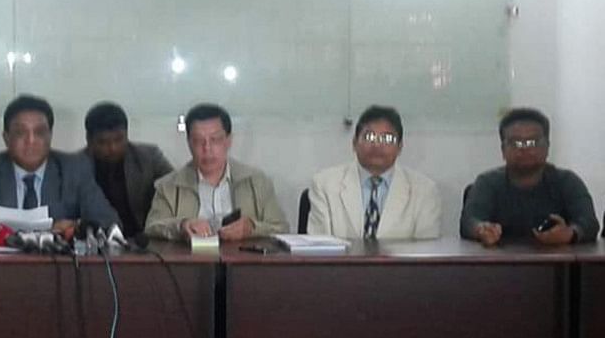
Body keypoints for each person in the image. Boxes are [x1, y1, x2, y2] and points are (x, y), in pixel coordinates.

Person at [0, 94, 119, 242]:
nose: (31, 141)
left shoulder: (75, 169)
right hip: (0, 269)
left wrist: (78, 228)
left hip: (59, 269)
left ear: (50, 136)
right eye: (20, 133)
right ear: (6, 138)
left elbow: (110, 223)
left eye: (39, 132)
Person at [145, 103, 289, 241]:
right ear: (189, 143)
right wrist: (182, 225)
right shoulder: (168, 186)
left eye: (215, 140)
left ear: (228, 140)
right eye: (198, 141)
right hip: (190, 258)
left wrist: (252, 228)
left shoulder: (257, 182)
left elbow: (281, 228)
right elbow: (152, 227)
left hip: (241, 258)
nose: (207, 148)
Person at [461, 107, 599, 245]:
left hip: (556, 256)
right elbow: (469, 221)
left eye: (532, 142)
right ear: (503, 150)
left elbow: (589, 223)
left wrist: (570, 234)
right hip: (499, 258)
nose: (524, 149)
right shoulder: (487, 183)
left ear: (547, 147)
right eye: (516, 143)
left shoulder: (567, 181)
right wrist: (481, 230)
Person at [307, 105, 441, 240]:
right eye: (369, 137)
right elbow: (318, 246)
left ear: (400, 147)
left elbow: (426, 249)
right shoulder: (325, 185)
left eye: (387, 138)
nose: (377, 145)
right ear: (354, 143)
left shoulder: (424, 191)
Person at [82, 101, 173, 237]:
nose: (112, 148)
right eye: (103, 142)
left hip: (145, 239)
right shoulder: (75, 167)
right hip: (94, 241)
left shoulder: (149, 158)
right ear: (89, 140)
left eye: (119, 139)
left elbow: (175, 190)